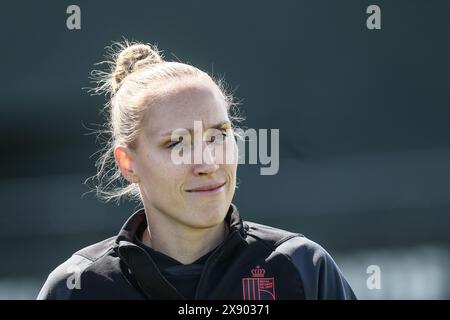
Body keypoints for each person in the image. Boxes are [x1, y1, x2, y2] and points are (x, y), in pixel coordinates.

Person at [37, 40, 356, 300]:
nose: (207, 164)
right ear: (128, 163)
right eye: (177, 144)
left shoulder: (301, 268)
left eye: (218, 136)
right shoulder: (76, 287)